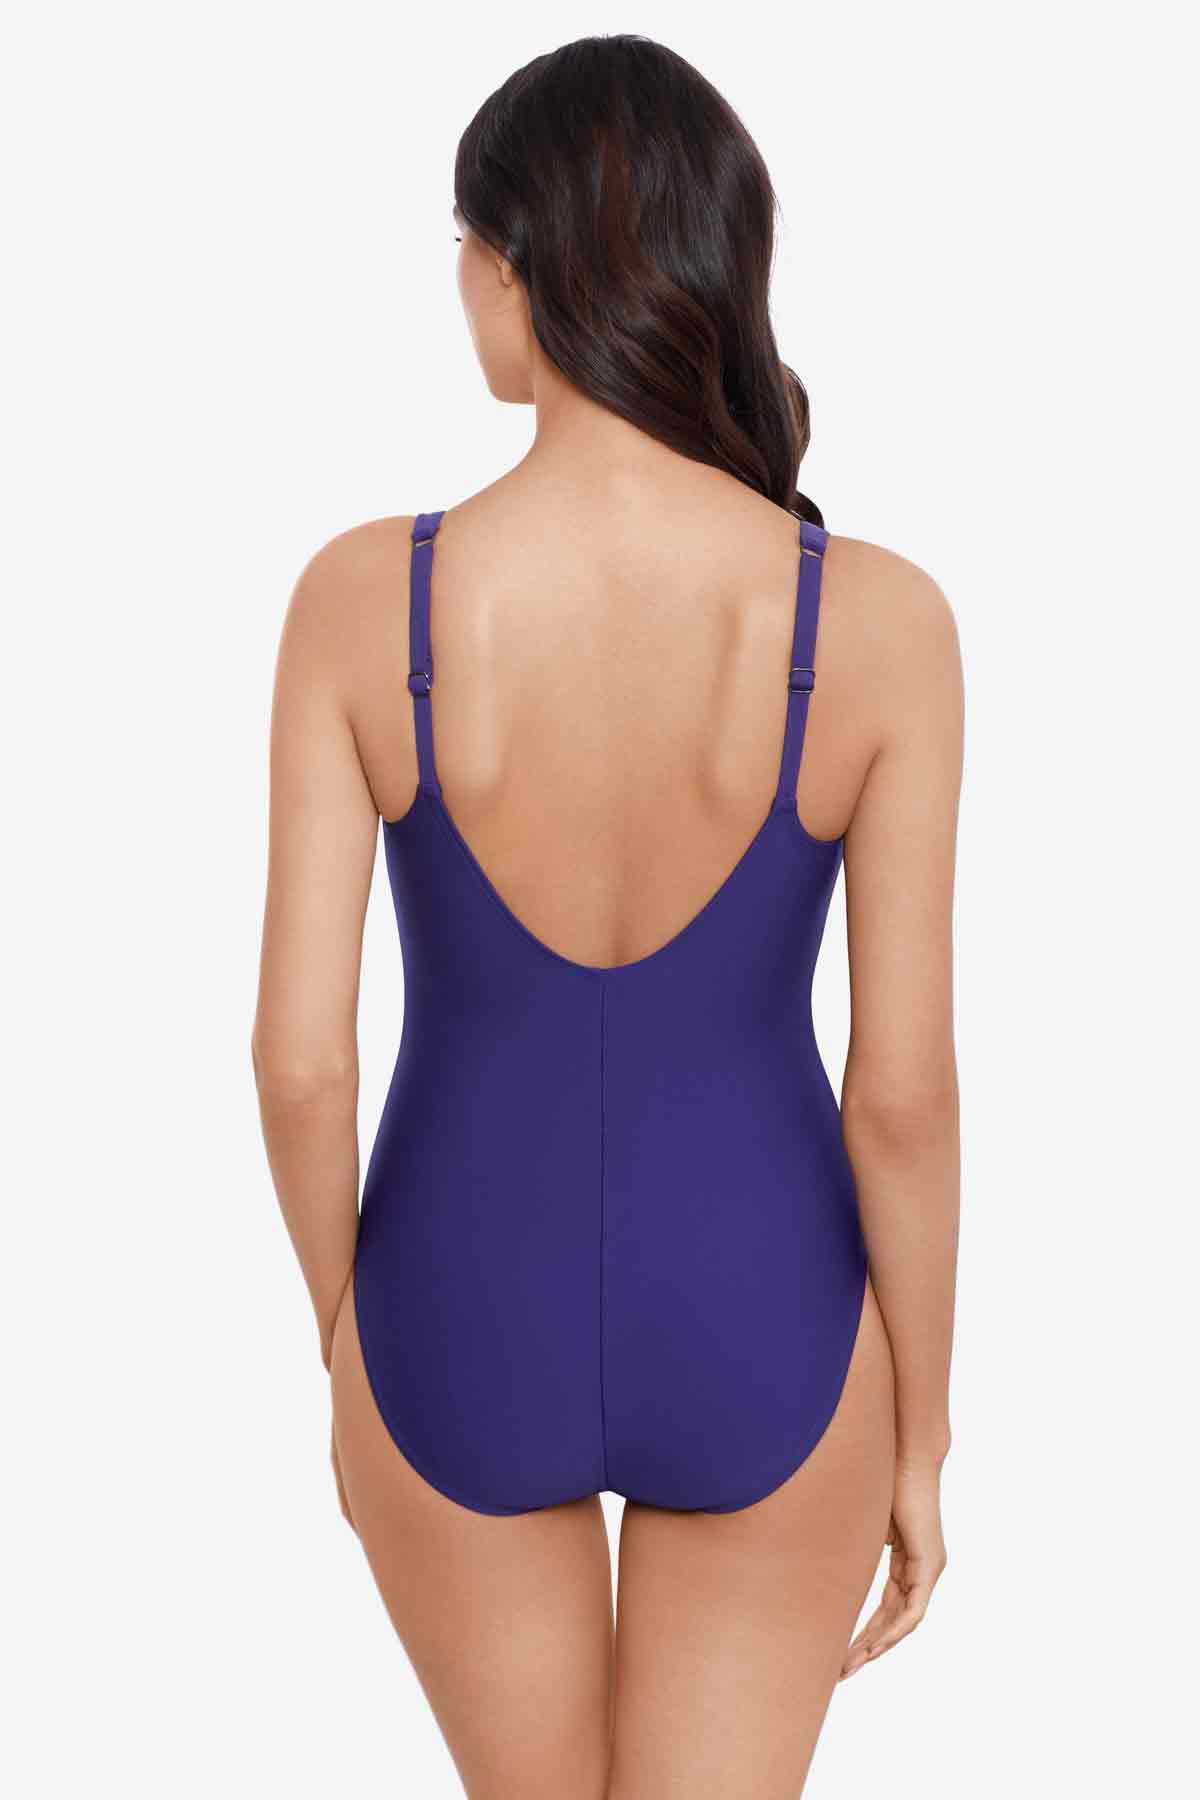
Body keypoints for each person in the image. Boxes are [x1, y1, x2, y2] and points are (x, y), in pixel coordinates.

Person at [253, 34, 962, 1799]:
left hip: (451, 1303)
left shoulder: (362, 599)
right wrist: (925, 1434)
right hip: (771, 1315)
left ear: (519, 266)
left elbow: (300, 1064)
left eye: (463, 250)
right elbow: (901, 1096)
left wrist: (348, 1340)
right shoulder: (879, 624)